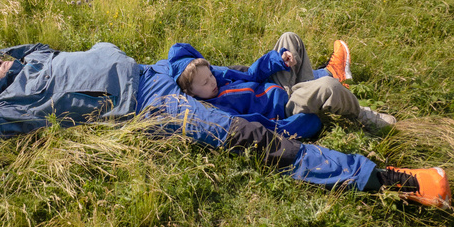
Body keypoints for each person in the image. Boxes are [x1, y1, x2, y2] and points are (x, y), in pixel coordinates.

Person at [0, 41, 451, 207]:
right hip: (146, 104)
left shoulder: (36, 57)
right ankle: (389, 180)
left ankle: (318, 83)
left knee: (230, 76)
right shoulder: (8, 109)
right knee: (246, 137)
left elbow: (24, 49)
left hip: (156, 70)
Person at [168, 33, 397, 133]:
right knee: (328, 86)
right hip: (284, 108)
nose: (212, 82)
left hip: (276, 85)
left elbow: (251, 75)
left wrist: (278, 59)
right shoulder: (215, 111)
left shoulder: (216, 77)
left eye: (210, 75)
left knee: (289, 38)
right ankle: (362, 115)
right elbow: (259, 127)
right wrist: (300, 123)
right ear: (190, 92)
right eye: (205, 83)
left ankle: (315, 85)